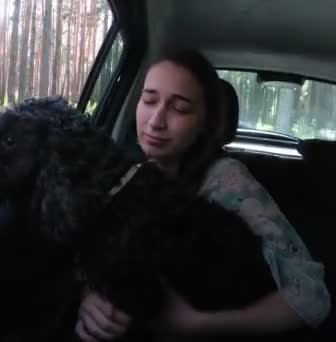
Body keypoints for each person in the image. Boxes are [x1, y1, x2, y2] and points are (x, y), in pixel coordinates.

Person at [74, 50, 331, 341]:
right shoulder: (125, 174)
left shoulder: (226, 179)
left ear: (205, 123)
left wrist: (199, 323)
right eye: (149, 100)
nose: (156, 120)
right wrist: (91, 294)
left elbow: (312, 297)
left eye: (180, 108)